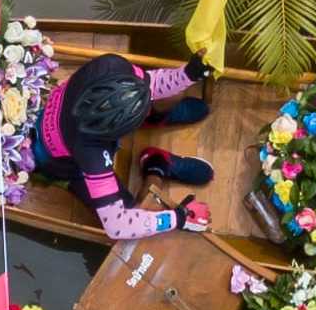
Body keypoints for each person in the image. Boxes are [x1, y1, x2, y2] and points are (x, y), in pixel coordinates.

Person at [32, 50, 218, 239]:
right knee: (137, 211)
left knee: (168, 96)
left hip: (72, 121)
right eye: (142, 115)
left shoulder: (110, 65)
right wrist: (178, 218)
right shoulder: (91, 154)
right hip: (67, 165)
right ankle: (157, 167)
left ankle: (159, 118)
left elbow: (153, 82)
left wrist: (189, 73)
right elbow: (118, 225)